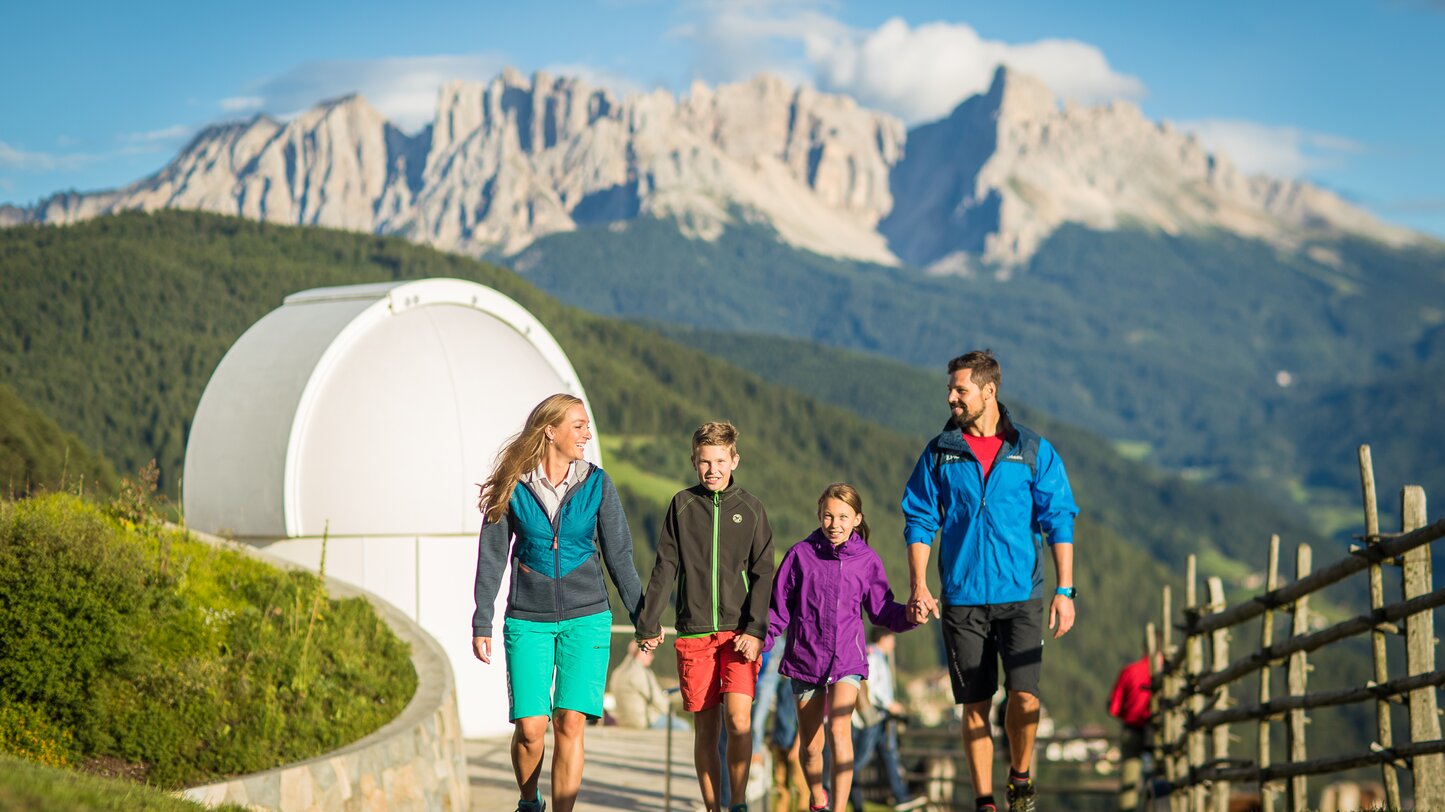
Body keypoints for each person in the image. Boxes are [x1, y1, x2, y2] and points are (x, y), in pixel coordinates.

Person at [901, 350, 1079, 812]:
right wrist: (919, 584)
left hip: (1021, 596)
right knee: (975, 704)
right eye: (950, 389)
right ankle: (985, 801)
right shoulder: (941, 452)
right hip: (961, 599)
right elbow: (920, 518)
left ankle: (1019, 774)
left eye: (960, 389)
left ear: (989, 391)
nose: (951, 398)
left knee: (1024, 698)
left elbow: (1059, 519)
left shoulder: (1033, 450)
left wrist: (1065, 590)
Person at [471, 394, 644, 812]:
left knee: (570, 723)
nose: (587, 433)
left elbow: (619, 554)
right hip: (527, 620)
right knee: (531, 729)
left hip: (587, 618)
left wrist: (644, 617)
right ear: (551, 431)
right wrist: (482, 619)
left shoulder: (597, 483)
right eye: (579, 426)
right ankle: (530, 802)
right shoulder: (515, 486)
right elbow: (492, 556)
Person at [636, 421, 776, 812]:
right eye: (703, 462)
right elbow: (665, 568)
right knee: (707, 729)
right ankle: (713, 806)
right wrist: (648, 622)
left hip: (739, 636)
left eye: (720, 460)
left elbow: (765, 573)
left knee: (739, 720)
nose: (712, 469)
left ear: (735, 460)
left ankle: (739, 801)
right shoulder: (681, 505)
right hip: (694, 633)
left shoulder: (751, 508)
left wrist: (755, 629)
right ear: (693, 462)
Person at [766, 483, 918, 812]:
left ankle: (837, 808)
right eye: (828, 516)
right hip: (804, 660)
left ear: (856, 519)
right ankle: (818, 797)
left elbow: (882, 610)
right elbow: (777, 612)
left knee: (839, 728)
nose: (834, 524)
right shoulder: (800, 555)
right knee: (810, 747)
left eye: (843, 517)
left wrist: (911, 615)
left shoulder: (866, 561)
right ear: (819, 516)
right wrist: (756, 644)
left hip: (846, 660)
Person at [849, 628, 926, 812]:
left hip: (880, 718)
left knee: (889, 755)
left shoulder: (877, 656)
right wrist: (890, 704)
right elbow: (872, 689)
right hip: (874, 717)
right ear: (883, 638)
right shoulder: (873, 657)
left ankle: (901, 796)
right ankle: (841, 792)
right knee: (859, 760)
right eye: (892, 638)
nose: (894, 642)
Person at [1108, 650, 1155, 811]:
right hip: (1156, 734)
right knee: (1157, 781)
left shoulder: (1130, 671)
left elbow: (1114, 708)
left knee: (1129, 782)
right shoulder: (1164, 674)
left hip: (1131, 731)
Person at [609, 641, 685, 730]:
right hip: (643, 722)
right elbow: (657, 699)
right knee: (684, 727)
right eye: (650, 653)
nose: (652, 657)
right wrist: (670, 711)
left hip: (623, 721)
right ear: (642, 652)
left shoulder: (618, 672)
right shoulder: (640, 672)